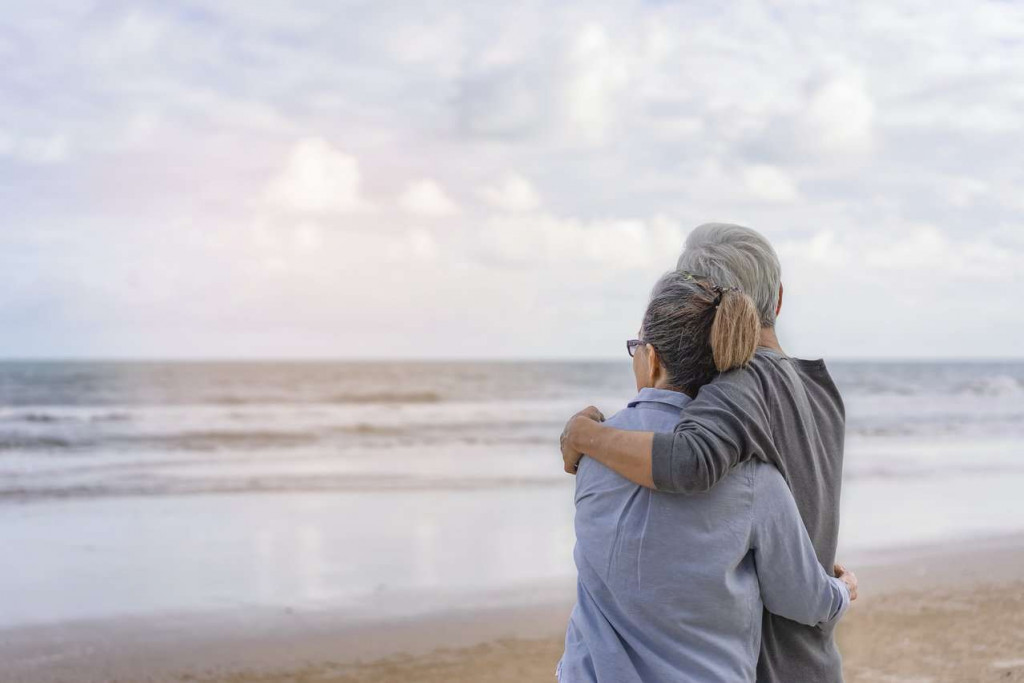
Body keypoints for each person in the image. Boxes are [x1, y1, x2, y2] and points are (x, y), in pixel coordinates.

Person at [560, 223, 849, 682]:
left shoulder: (741, 384)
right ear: (777, 299)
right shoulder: (817, 387)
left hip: (768, 666)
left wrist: (585, 437)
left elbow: (687, 462)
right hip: (813, 655)